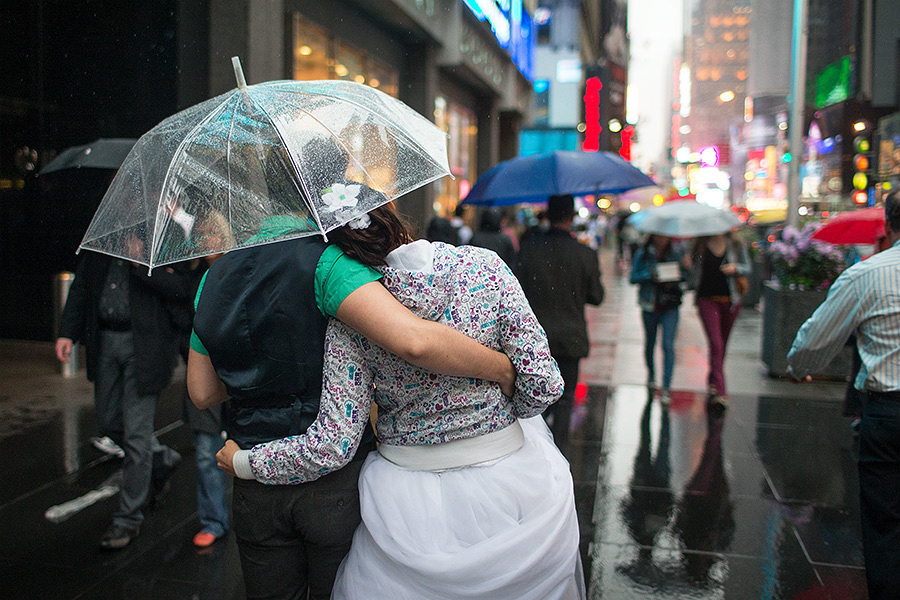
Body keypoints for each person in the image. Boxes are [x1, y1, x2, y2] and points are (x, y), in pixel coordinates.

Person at [216, 204, 582, 600]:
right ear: (393, 213)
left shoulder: (351, 320)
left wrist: (247, 462)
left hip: (408, 507)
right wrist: (504, 397)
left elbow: (333, 444)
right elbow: (544, 384)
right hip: (512, 483)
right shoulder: (485, 267)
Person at [786, 192, 900, 600]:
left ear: (888, 225)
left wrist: (799, 368)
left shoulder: (869, 274)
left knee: (886, 527)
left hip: (889, 415)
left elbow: (814, 341)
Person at [55, 249, 191, 549]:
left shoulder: (161, 242)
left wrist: (140, 265)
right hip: (105, 342)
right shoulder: (102, 243)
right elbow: (81, 286)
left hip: (144, 348)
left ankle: (128, 519)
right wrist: (67, 332)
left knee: (136, 435)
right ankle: (161, 459)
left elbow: (182, 290)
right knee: (108, 423)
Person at [516, 194, 604, 455]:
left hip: (535, 338)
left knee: (534, 400)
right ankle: (560, 455)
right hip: (570, 338)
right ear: (571, 217)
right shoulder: (585, 254)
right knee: (565, 401)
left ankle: (534, 453)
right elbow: (597, 297)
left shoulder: (529, 249)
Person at [688, 231, 751, 407]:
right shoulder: (700, 245)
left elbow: (748, 267)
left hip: (730, 301)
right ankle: (721, 390)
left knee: (722, 344)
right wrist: (688, 266)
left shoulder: (736, 245)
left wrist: (735, 268)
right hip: (707, 300)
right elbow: (694, 275)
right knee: (716, 343)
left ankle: (713, 381)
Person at [629, 235, 689, 405]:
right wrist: (650, 274)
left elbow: (686, 280)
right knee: (650, 342)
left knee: (668, 345)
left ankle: (666, 387)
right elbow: (633, 277)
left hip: (670, 305)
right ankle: (652, 376)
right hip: (650, 305)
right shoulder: (644, 253)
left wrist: (685, 269)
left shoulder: (677, 252)